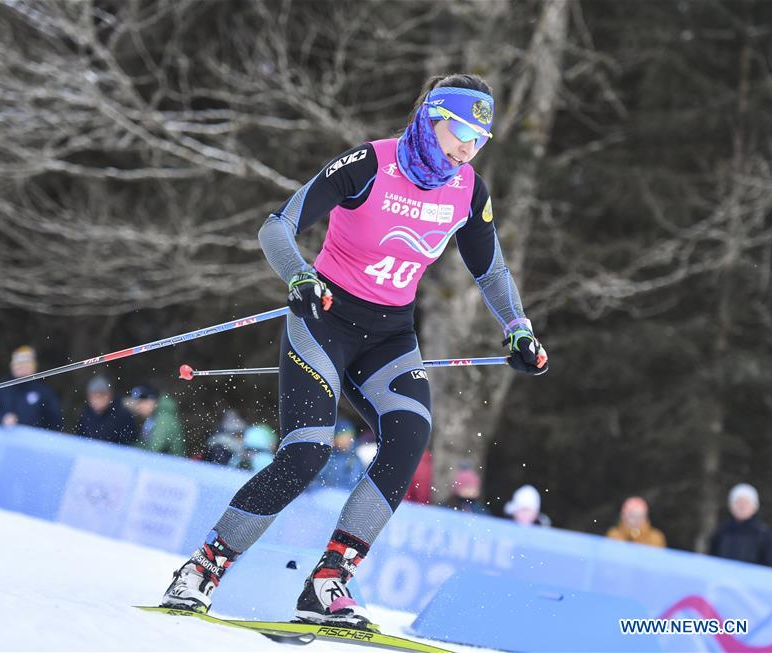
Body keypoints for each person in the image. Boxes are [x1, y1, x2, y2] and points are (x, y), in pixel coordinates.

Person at [160, 73, 549, 629]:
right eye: (460, 131)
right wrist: (298, 277)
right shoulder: (369, 165)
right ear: (432, 118)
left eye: (479, 140)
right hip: (323, 321)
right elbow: (277, 228)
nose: (467, 147)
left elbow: (490, 269)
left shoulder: (469, 191)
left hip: (390, 337)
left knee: (410, 437)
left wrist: (517, 326)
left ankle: (328, 579)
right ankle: (203, 568)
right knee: (306, 452)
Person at [0, 346, 63, 431]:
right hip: (3, 438)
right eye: (17, 364)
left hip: (31, 441)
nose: (20, 367)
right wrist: (1, 418)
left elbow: (54, 420)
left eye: (25, 364)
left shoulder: (43, 392)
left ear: (33, 367)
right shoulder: (2, 386)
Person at [709, 483, 772, 567]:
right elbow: (711, 562)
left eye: (746, 503)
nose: (742, 506)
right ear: (731, 506)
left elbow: (771, 567)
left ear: (754, 507)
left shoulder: (765, 535)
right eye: (738, 502)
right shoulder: (721, 532)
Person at [74, 376, 138, 445]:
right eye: (93, 397)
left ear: (109, 396)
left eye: (100, 396)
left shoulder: (122, 415)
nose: (96, 401)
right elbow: (80, 441)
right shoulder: (86, 415)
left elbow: (129, 443)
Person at [127, 385, 185, 456]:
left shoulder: (165, 418)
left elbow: (154, 449)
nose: (138, 407)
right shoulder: (154, 417)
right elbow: (143, 443)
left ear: (151, 400)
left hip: (173, 464)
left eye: (141, 402)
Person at [316, 419, 365, 490]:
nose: (346, 441)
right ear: (334, 439)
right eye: (342, 438)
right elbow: (318, 478)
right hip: (324, 495)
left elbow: (355, 483)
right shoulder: (327, 457)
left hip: (344, 496)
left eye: (349, 437)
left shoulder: (354, 459)